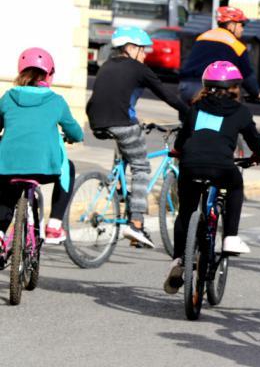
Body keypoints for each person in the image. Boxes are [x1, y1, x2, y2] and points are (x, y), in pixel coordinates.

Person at [164, 61, 260, 294]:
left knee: (186, 211)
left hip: (190, 165)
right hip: (221, 167)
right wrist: (258, 155)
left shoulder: (196, 108)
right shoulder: (240, 111)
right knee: (236, 187)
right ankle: (230, 237)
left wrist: (178, 151)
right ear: (235, 87)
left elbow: (183, 138)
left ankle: (178, 259)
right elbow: (254, 140)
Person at [86, 26, 188, 248]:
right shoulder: (138, 69)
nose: (145, 55)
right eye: (143, 50)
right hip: (121, 122)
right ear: (130, 48)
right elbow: (166, 94)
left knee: (126, 149)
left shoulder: (106, 66)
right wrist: (190, 114)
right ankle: (136, 222)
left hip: (96, 121)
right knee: (141, 168)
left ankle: (121, 190)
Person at [0, 48, 83, 247]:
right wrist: (69, 137)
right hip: (45, 168)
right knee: (68, 168)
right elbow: (77, 133)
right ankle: (54, 225)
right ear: (49, 74)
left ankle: (0, 232)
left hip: (7, 165)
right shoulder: (56, 101)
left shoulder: (8, 97)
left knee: (7, 185)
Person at [178, 6, 260, 104]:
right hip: (207, 91)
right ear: (231, 25)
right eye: (242, 25)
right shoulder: (237, 46)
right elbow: (247, 76)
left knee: (188, 118)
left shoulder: (202, 37)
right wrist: (257, 93)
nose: (243, 29)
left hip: (185, 87)